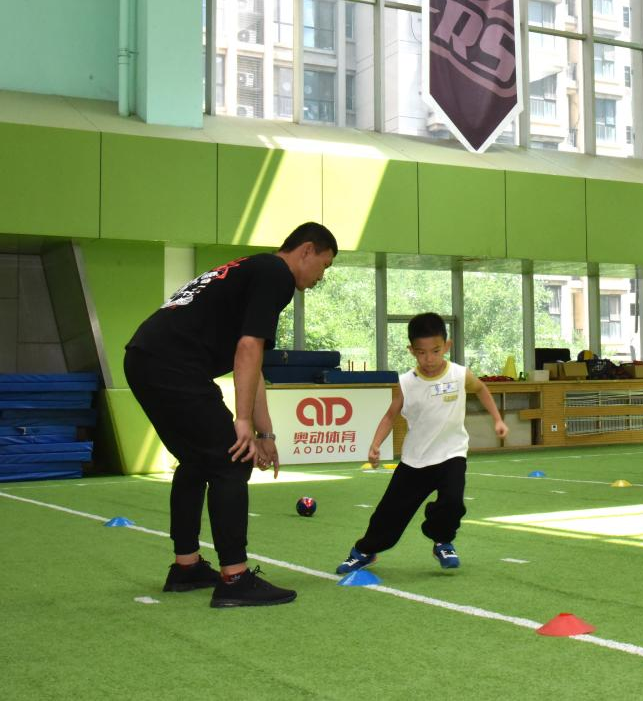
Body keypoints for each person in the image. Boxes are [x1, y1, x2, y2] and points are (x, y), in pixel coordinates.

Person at [124, 222, 337, 607]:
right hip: (172, 363)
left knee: (196, 461)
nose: (321, 277)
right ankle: (235, 579)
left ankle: (186, 568)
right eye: (324, 265)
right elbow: (248, 346)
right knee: (231, 460)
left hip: (145, 359)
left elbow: (252, 366)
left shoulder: (250, 270)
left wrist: (266, 433)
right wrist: (243, 424)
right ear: (307, 250)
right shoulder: (276, 275)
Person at [335, 313, 508, 575]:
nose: (429, 359)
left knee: (452, 502)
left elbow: (482, 389)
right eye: (421, 353)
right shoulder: (407, 383)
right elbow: (391, 414)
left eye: (435, 351)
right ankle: (364, 551)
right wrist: (375, 444)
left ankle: (442, 541)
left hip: (452, 454)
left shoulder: (460, 374)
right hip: (415, 460)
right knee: (389, 514)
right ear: (411, 351)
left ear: (446, 347)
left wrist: (498, 420)